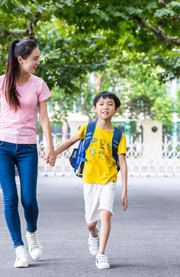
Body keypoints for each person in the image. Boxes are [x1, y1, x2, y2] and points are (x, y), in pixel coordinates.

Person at [0, 39, 56, 268]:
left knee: (29, 200)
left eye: (38, 58)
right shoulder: (0, 83)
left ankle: (31, 232)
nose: (37, 63)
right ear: (20, 59)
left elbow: (43, 118)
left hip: (28, 148)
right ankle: (19, 248)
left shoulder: (39, 84)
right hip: (2, 147)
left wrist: (50, 147)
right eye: (34, 59)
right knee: (10, 198)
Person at [55, 91, 128, 270]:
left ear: (116, 109)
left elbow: (123, 163)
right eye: (101, 104)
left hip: (109, 179)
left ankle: (102, 254)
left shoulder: (119, 135)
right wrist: (53, 153)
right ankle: (92, 234)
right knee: (90, 221)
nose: (106, 107)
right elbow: (71, 141)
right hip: (89, 179)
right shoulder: (88, 128)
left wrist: (125, 190)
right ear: (95, 108)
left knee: (105, 214)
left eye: (110, 104)